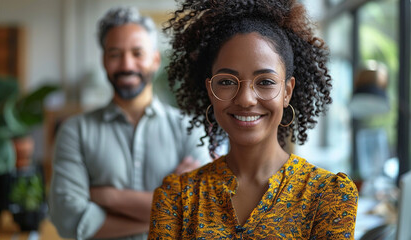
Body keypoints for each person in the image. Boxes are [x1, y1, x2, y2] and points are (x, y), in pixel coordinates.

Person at [148, 0, 359, 239]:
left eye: (266, 82)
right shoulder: (176, 197)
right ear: (210, 91)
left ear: (287, 92)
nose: (246, 99)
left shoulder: (328, 196)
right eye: (227, 81)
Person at [49, 6, 211, 240]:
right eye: (115, 54)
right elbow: (68, 219)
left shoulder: (190, 129)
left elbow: (203, 212)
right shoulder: (75, 131)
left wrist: (108, 198)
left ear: (155, 59)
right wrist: (172, 209)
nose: (126, 65)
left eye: (137, 53)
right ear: (104, 60)